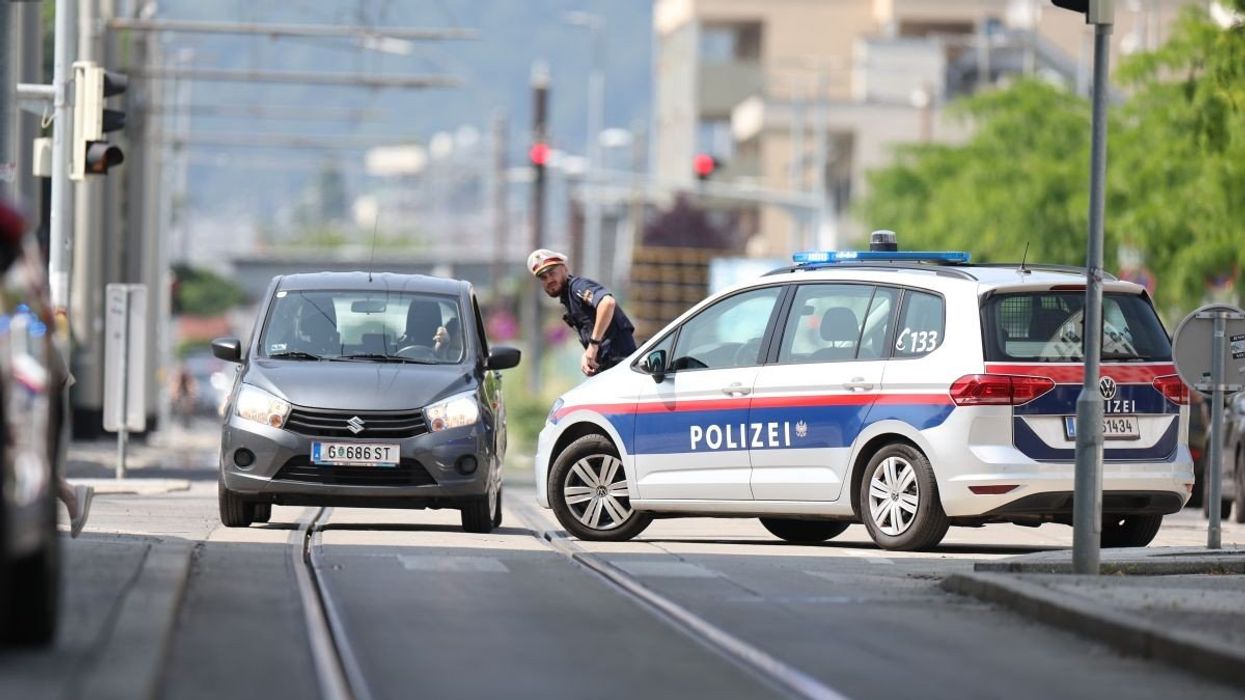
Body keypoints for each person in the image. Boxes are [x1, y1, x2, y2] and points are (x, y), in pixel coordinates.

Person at [0, 197, 93, 537]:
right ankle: (69, 497)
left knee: (26, 458)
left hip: (25, 382)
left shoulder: (18, 281)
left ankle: (66, 498)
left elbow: (41, 326)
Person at [528, 249, 637, 375]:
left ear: (565, 269)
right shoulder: (569, 298)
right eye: (543, 277)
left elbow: (607, 303)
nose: (549, 280)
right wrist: (587, 354)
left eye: (552, 273)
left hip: (621, 367)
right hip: (611, 369)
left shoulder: (577, 287)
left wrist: (593, 344)